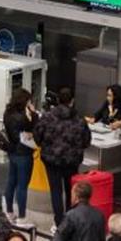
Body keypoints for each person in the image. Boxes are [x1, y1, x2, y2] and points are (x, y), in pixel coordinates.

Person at [32, 87, 91, 228]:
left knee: (56, 190)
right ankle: (71, 219)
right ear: (72, 101)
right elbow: (86, 141)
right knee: (72, 189)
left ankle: (59, 222)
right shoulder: (79, 120)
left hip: (51, 160)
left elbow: (37, 136)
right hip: (72, 161)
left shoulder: (47, 117)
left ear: (58, 100)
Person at [3, 87, 37, 224]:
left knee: (11, 181)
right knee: (22, 185)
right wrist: (33, 114)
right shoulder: (24, 117)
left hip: (12, 151)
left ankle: (9, 212)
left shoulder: (8, 112)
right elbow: (35, 126)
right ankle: (22, 217)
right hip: (24, 153)